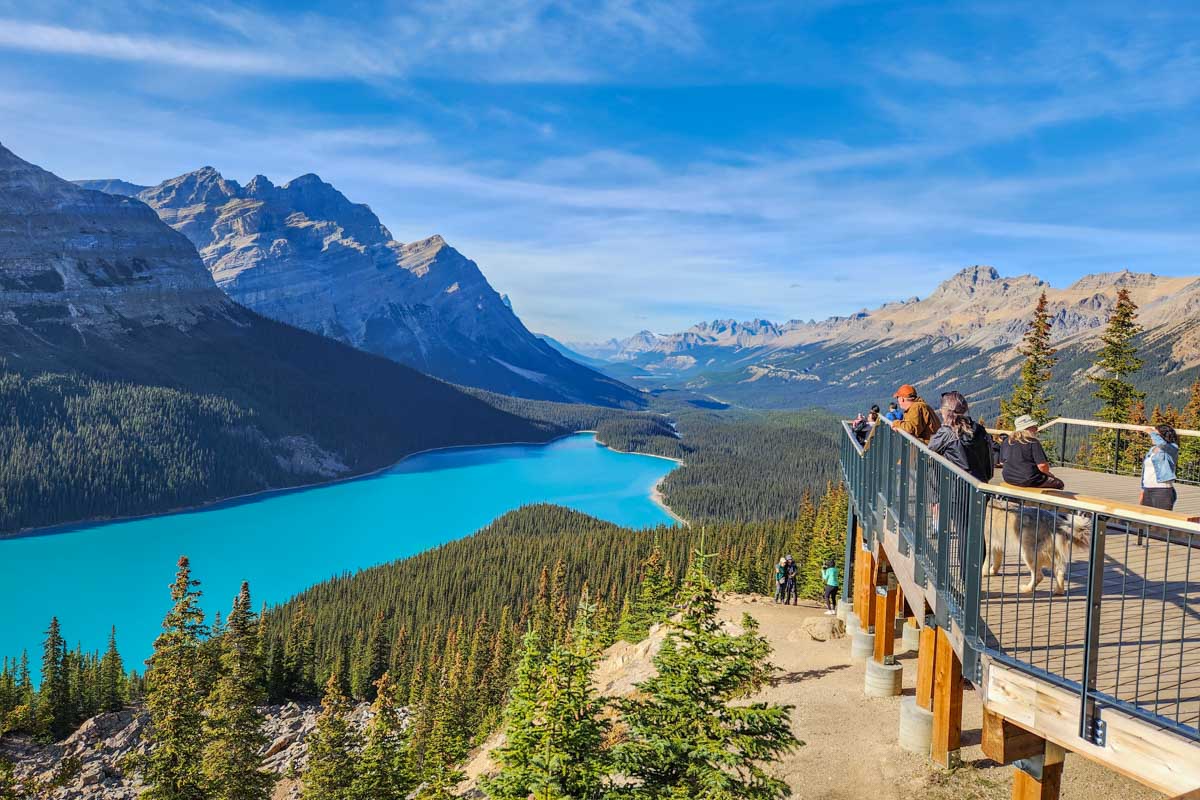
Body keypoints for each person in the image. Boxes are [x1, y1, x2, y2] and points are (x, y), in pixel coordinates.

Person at [928, 391, 994, 482]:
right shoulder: (979, 429)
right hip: (979, 484)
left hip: (955, 486)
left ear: (946, 411)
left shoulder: (947, 432)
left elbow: (930, 449)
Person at [1002, 415, 1064, 490]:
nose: (1036, 429)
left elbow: (1002, 462)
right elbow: (1042, 466)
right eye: (1034, 426)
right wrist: (1049, 474)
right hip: (1029, 479)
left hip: (1008, 478)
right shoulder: (1032, 442)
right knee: (1059, 484)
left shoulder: (1007, 441)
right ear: (1028, 428)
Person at [1141, 424, 1179, 511]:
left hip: (1162, 490)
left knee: (1160, 521)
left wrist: (1151, 432)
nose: (1152, 437)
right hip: (1148, 489)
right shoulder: (1152, 449)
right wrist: (1143, 489)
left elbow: (1163, 444)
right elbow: (1146, 472)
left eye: (1156, 434)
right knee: (1146, 521)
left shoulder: (1172, 448)